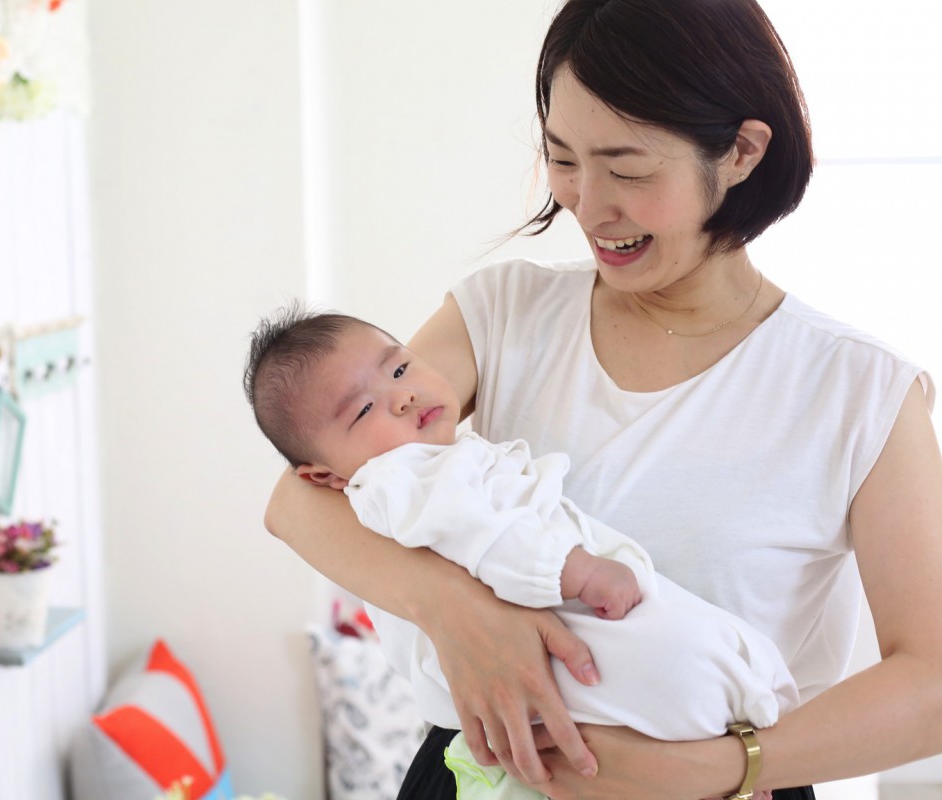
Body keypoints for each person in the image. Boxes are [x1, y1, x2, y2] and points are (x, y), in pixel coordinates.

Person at [262, 0, 942, 798]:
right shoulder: (503, 313)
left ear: (741, 152)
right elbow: (299, 498)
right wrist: (457, 612)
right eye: (562, 159)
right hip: (489, 766)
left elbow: (930, 683)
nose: (587, 204)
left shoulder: (858, 389)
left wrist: (713, 767)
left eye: (627, 168)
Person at [243, 306, 799, 792]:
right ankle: (726, 727)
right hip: (541, 630)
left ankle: (728, 737)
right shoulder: (395, 482)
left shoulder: (441, 459)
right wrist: (573, 570)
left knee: (676, 664)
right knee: (674, 666)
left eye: (401, 367)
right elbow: (482, 535)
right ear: (325, 476)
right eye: (363, 411)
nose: (402, 394)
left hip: (546, 650)